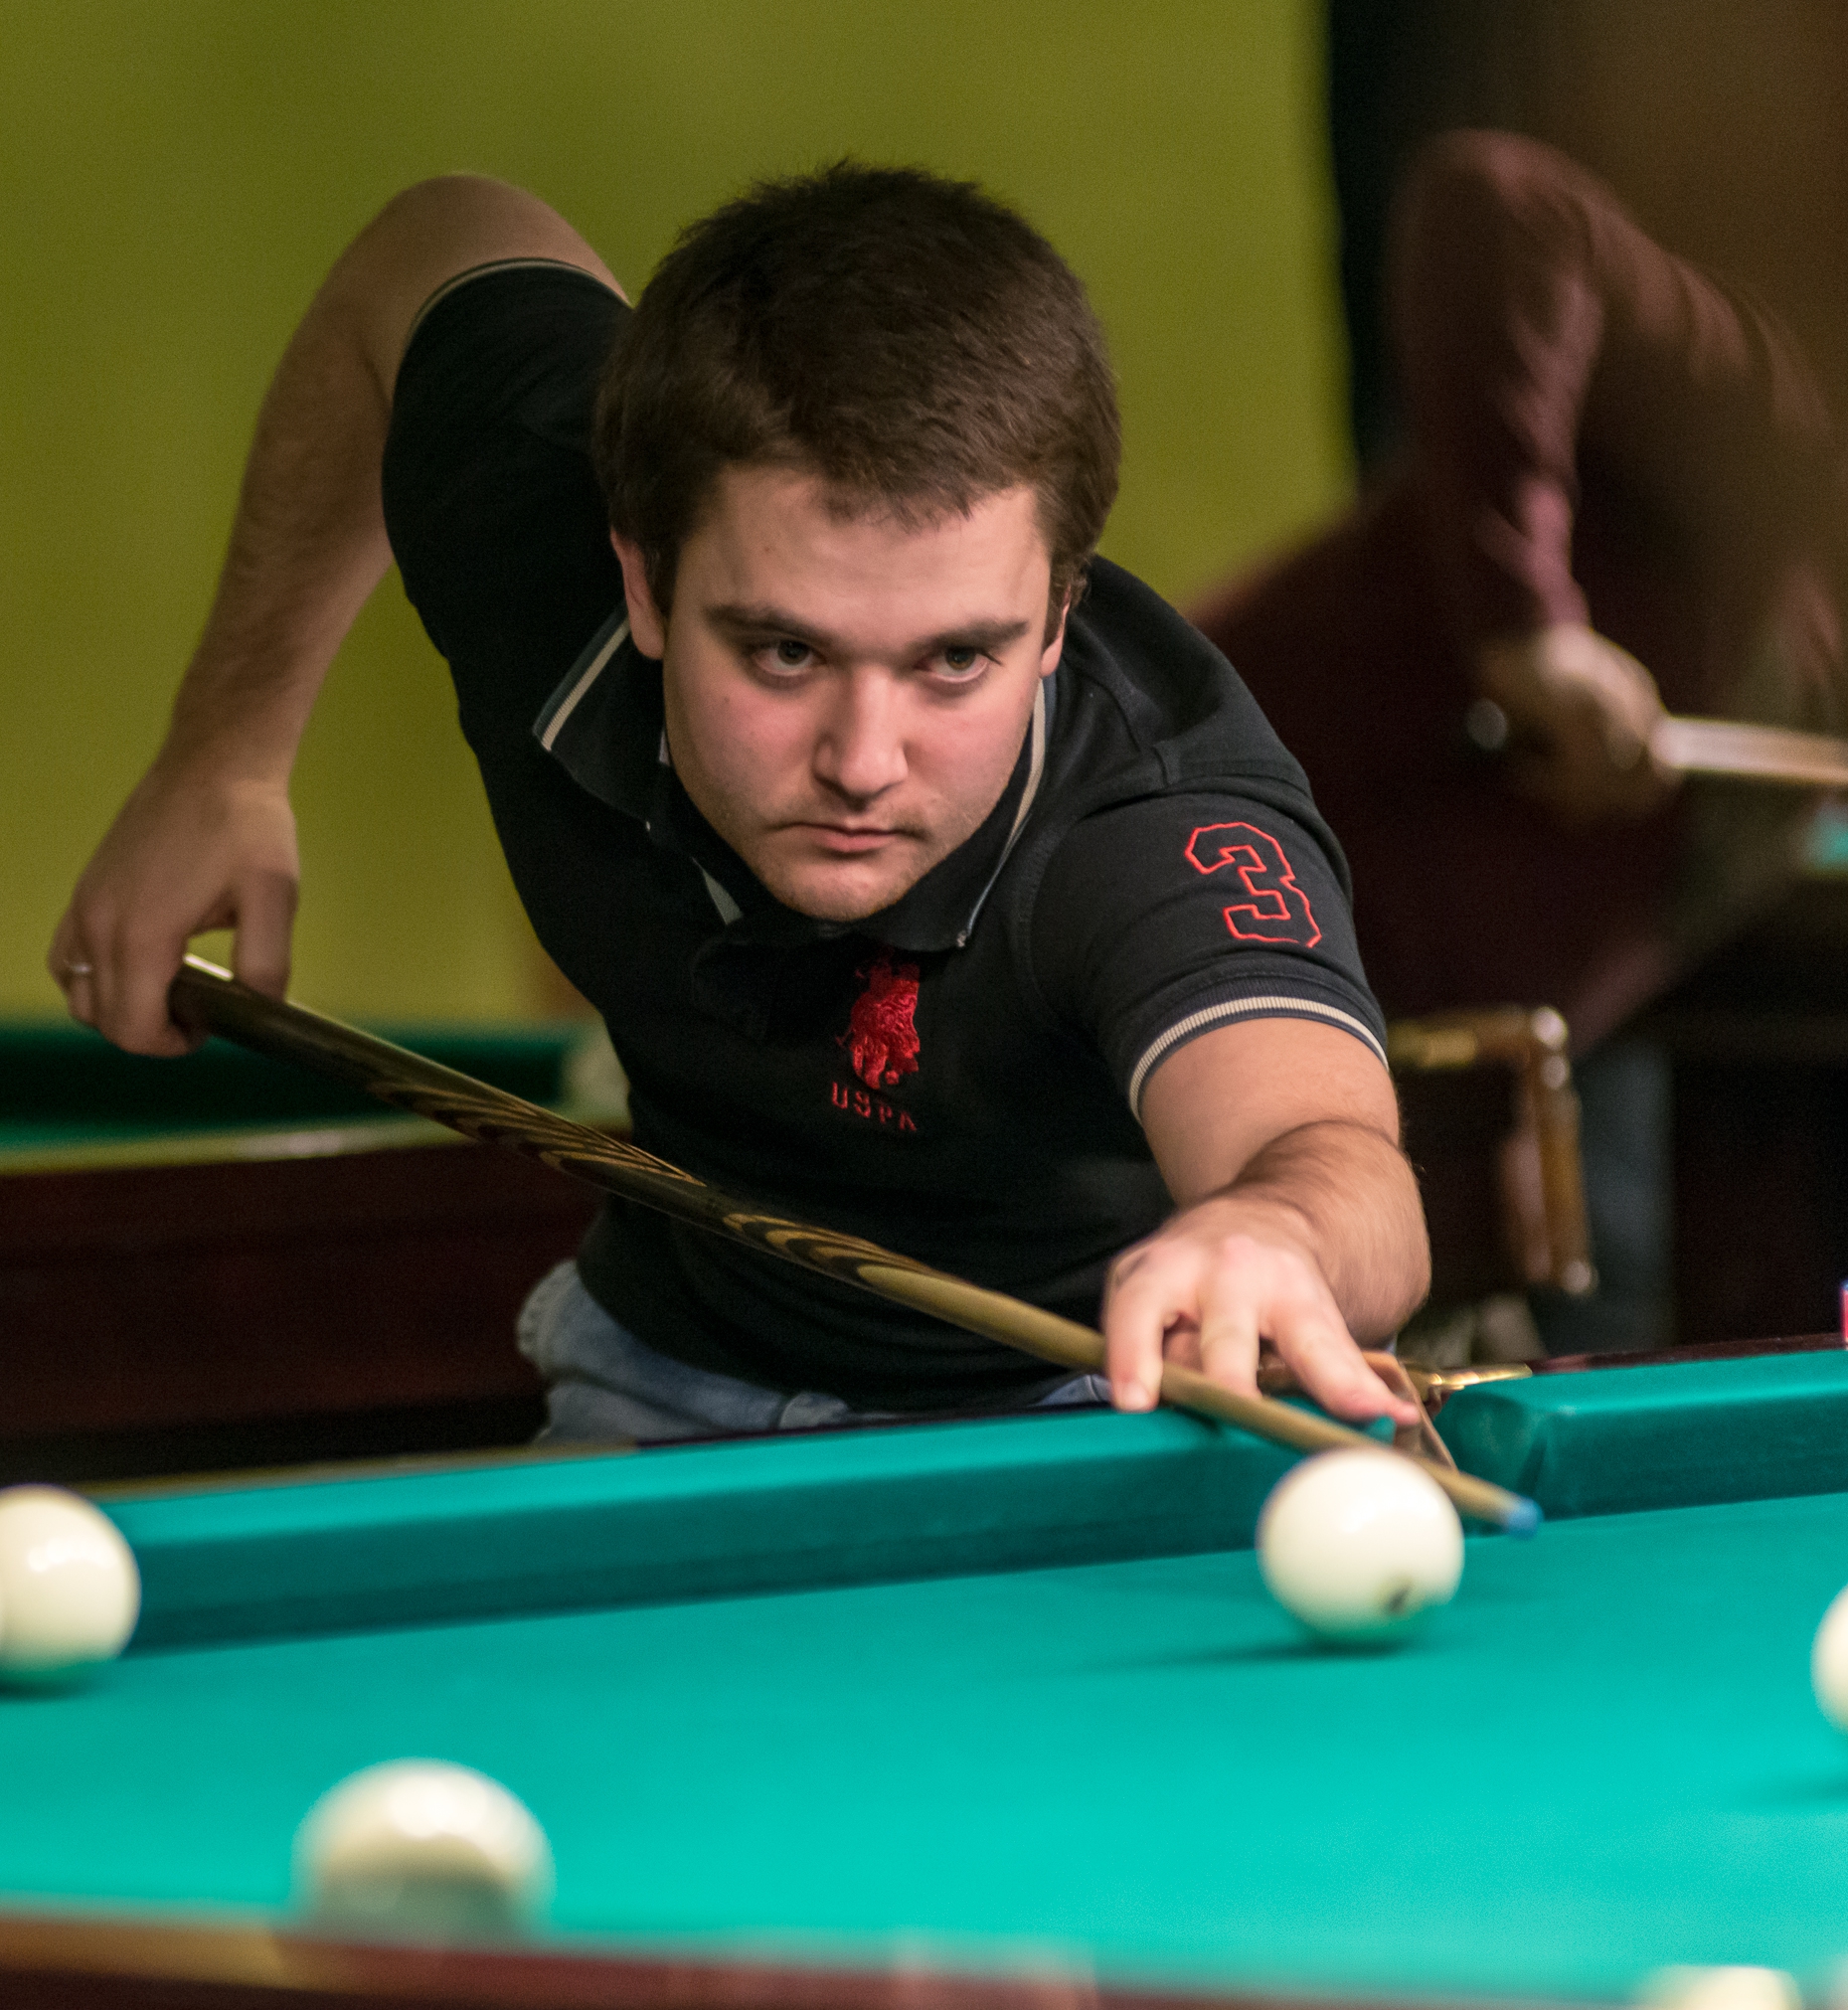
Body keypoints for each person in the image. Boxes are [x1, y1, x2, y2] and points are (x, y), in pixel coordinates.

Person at [49, 165, 1430, 1442]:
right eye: (784, 652)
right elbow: (432, 244)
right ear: (644, 581)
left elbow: (1328, 1156)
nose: (863, 761)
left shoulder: (1151, 834)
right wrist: (220, 763)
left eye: (955, 660)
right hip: (658, 1364)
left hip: (1081, 1411)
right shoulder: (543, 550)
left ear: (1057, 618)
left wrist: (1277, 1229)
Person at [1195, 130, 1848, 1352]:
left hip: (1374, 1105)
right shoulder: (1782, 427)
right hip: (1162, 886)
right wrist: (1528, 628)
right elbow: (1498, 209)